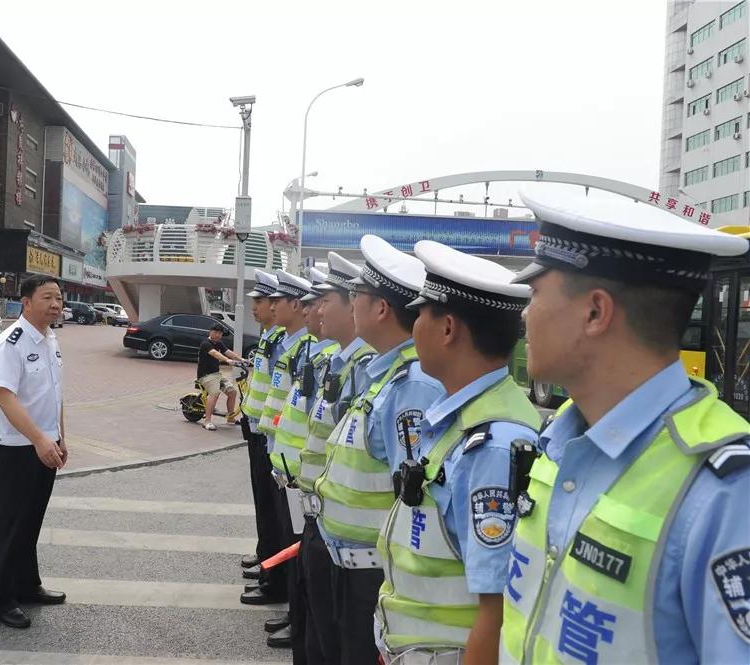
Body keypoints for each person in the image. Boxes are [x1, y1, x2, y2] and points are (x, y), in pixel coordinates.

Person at [500, 188, 750, 664]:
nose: (525, 314)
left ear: (595, 312)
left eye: (534, 293)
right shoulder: (557, 448)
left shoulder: (726, 493)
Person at [375, 240, 541, 665]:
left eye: (420, 316)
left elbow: (497, 604)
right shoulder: (462, 418)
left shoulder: (493, 443)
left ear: (447, 329)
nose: (413, 330)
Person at [313, 235, 445, 664]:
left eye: (357, 295)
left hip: (372, 572)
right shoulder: (386, 375)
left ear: (382, 309)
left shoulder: (413, 387)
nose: (351, 305)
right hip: (354, 563)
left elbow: (410, 497)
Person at [297, 253, 376, 664]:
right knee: (319, 638)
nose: (317, 308)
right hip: (324, 523)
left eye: (327, 298)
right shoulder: (339, 362)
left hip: (355, 550)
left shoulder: (369, 371)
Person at [0, 274, 68, 629]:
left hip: (45, 445)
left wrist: (60, 437)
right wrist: (38, 439)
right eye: (48, 297)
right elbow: (5, 396)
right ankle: (2, 600)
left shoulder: (51, 340)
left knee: (32, 521)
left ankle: (27, 585)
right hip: (17, 448)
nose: (55, 305)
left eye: (59, 299)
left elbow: (55, 393)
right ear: (26, 301)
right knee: (10, 524)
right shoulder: (12, 342)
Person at [266, 267, 338, 655]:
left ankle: (298, 620)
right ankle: (296, 618)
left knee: (305, 562)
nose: (314, 312)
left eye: (321, 303)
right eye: (312, 304)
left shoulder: (333, 359)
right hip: (292, 471)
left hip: (309, 484)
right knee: (298, 555)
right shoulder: (313, 351)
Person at [244, 270, 316, 612]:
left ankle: (282, 589)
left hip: (288, 453)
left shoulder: (306, 348)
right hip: (270, 442)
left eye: (273, 301)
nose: (267, 308)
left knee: (291, 530)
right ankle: (274, 576)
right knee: (277, 521)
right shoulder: (281, 342)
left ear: (296, 305)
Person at [239, 270, 288, 591]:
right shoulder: (269, 337)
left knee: (276, 509)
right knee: (263, 503)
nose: (254, 307)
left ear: (276, 304)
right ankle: (265, 554)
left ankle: (274, 569)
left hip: (271, 435)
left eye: (260, 301)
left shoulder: (283, 342)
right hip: (256, 428)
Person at [197, 323, 244, 431]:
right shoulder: (205, 343)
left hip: (216, 375)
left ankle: (230, 419)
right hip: (206, 376)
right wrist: (227, 360)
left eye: (220, 333)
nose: (218, 335)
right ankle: (207, 421)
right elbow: (214, 353)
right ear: (211, 332)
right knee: (215, 393)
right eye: (216, 332)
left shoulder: (219, 343)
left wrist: (241, 359)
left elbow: (228, 352)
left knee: (232, 392)